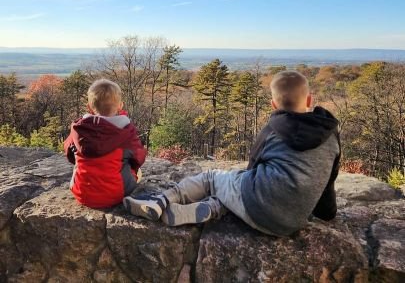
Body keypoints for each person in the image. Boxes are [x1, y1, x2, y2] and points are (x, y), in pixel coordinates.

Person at [123, 70, 340, 236]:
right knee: (233, 189)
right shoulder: (330, 134)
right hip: (290, 223)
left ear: (273, 104)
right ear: (310, 100)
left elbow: (251, 168)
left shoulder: (273, 130)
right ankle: (212, 207)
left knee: (213, 178)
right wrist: (327, 213)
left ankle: (160, 201)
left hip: (257, 206)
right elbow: (328, 180)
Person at [64, 78, 146, 209]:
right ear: (120, 106)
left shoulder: (79, 129)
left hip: (81, 192)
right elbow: (139, 158)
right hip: (116, 195)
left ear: (89, 107)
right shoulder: (125, 132)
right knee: (137, 170)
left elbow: (68, 153)